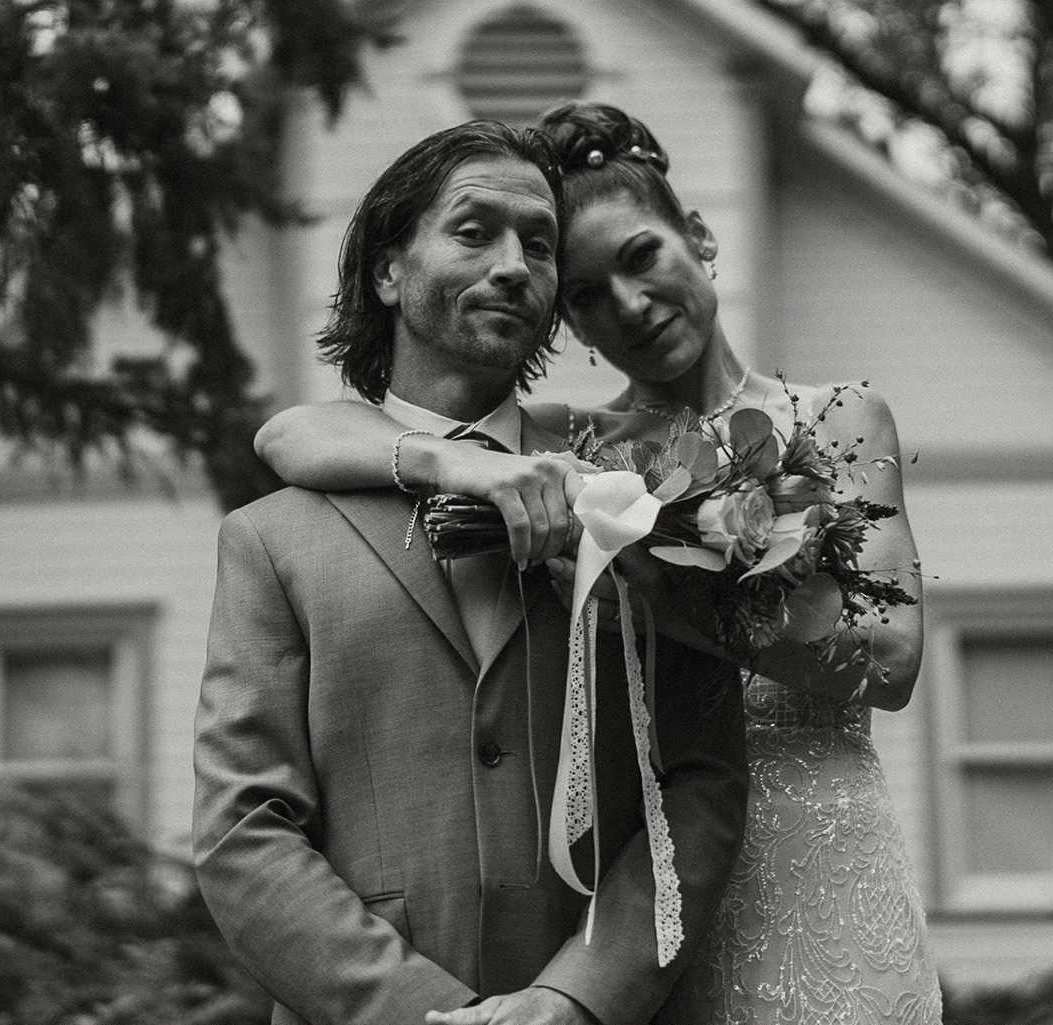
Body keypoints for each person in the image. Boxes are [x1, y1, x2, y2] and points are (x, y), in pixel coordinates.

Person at [255, 103, 943, 1024]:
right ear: (566, 319)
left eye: (642, 256)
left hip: (815, 842)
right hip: (637, 888)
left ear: (698, 237)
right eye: (584, 293)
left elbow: (890, 660)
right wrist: (452, 463)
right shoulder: (582, 450)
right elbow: (291, 433)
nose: (629, 304)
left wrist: (661, 587)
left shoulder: (838, 417)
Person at [193, 120, 751, 1025]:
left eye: (539, 244)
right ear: (388, 270)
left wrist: (574, 1001)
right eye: (472, 231)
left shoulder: (641, 486)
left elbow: (702, 780)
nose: (513, 266)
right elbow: (244, 831)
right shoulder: (271, 540)